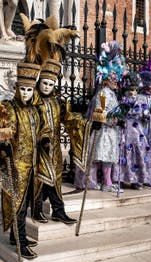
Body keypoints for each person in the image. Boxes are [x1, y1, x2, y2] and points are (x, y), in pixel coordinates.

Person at [0, 62, 49, 259]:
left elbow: (42, 129)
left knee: (28, 202)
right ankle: (21, 242)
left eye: (29, 90)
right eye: (22, 89)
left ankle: (16, 235)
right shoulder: (6, 108)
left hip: (33, 165)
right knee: (18, 205)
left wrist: (45, 139)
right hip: (15, 166)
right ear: (16, 89)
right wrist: (1, 145)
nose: (25, 93)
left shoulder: (34, 111)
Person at [33, 59, 92, 223]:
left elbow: (70, 119)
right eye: (44, 83)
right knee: (40, 178)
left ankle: (59, 211)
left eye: (50, 84)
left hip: (55, 150)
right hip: (38, 149)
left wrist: (88, 124)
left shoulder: (58, 103)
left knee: (55, 180)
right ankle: (37, 210)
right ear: (39, 83)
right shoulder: (33, 102)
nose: (46, 87)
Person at [74, 41, 127, 192]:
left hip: (111, 130)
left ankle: (108, 182)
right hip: (103, 130)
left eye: (116, 77)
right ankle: (103, 182)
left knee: (108, 156)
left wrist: (119, 118)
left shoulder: (112, 93)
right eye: (112, 78)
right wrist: (109, 119)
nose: (115, 80)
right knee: (101, 156)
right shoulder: (103, 93)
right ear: (106, 79)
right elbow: (100, 110)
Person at [118, 72, 151, 190]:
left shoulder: (142, 101)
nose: (132, 92)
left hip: (138, 132)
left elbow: (146, 115)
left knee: (139, 152)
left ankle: (138, 180)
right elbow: (118, 115)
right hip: (125, 130)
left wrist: (148, 115)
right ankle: (121, 178)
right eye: (130, 89)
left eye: (135, 89)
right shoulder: (122, 101)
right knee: (123, 153)